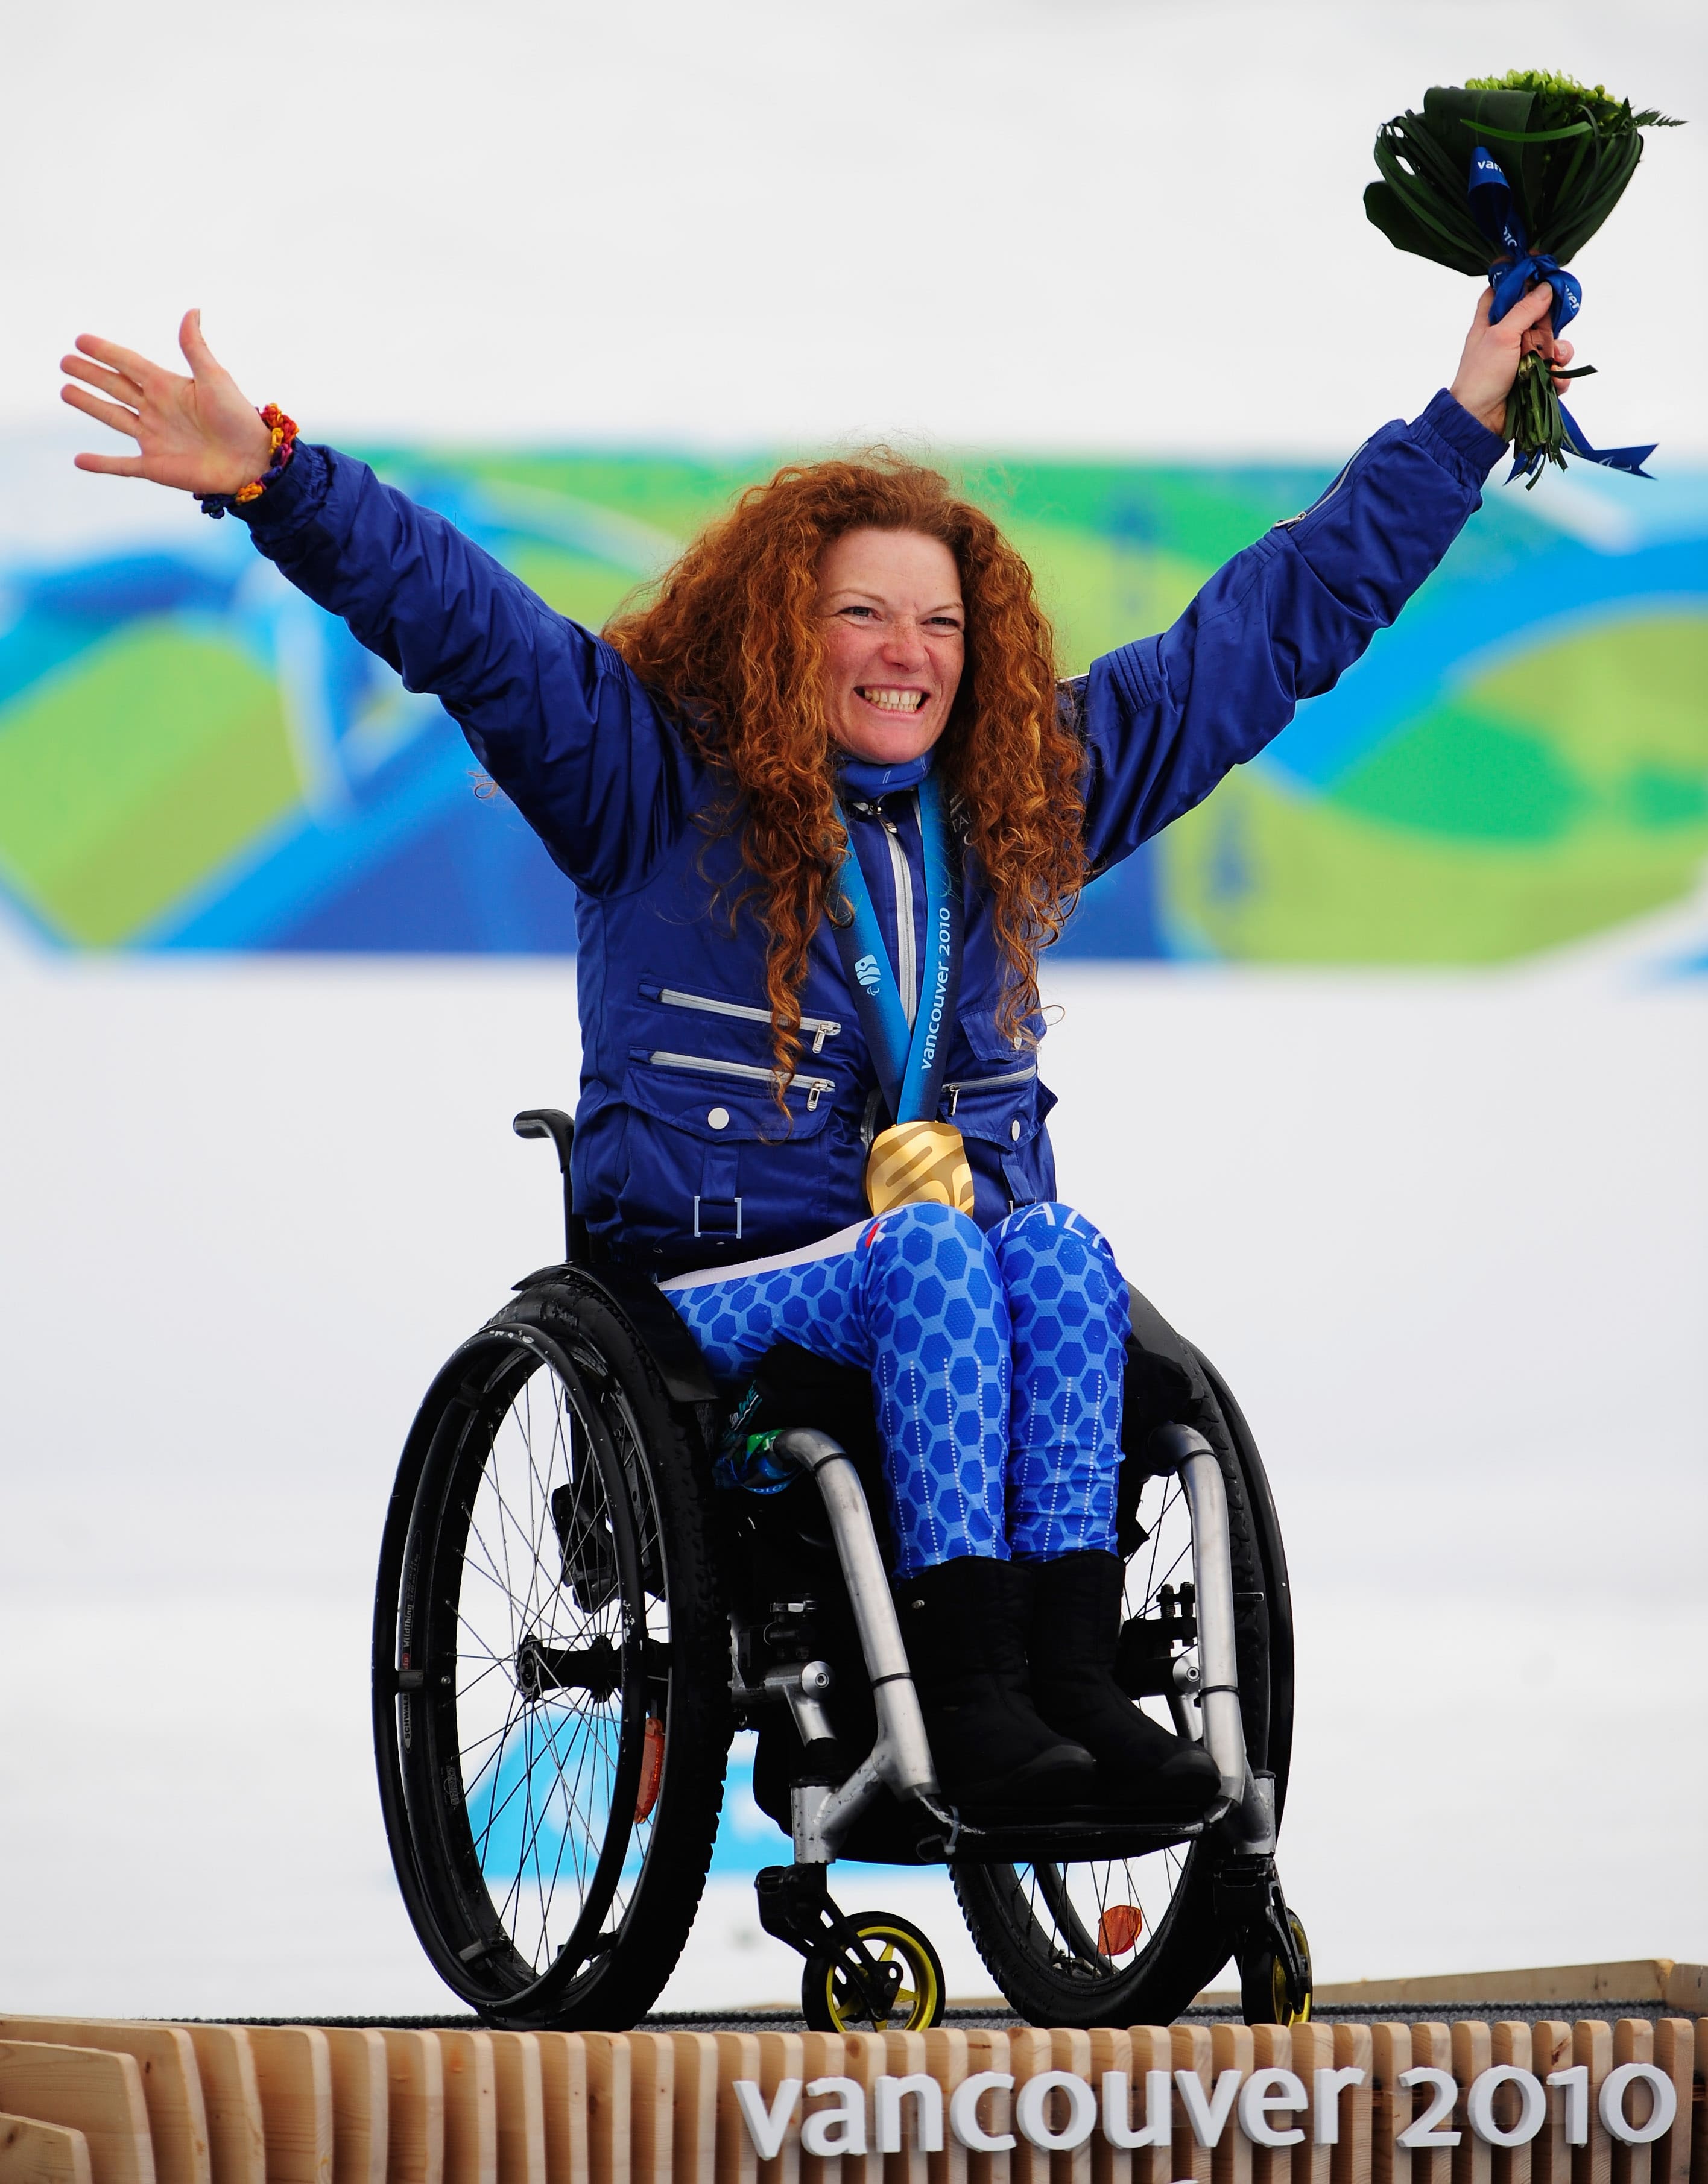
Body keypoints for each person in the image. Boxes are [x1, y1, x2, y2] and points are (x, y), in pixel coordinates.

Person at [60, 286, 1566, 1814]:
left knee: (1056, 1251)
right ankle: (967, 1692)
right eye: (865, 614)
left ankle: (1067, 1675)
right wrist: (275, 478)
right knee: (934, 1256)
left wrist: (1460, 431)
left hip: (950, 1278)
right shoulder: (640, 779)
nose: (906, 653)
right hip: (716, 1300)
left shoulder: (1026, 797)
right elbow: (465, 621)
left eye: (941, 623)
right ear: (789, 625)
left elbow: (1268, 630)